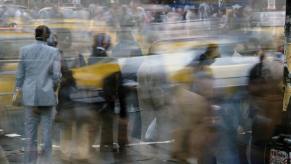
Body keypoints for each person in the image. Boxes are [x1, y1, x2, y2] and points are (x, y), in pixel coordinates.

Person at [15, 25, 61, 164]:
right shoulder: (54, 52)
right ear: (47, 36)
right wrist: (53, 88)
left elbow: (19, 76)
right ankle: (46, 161)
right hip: (46, 95)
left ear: (35, 35)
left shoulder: (24, 50)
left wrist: (18, 90)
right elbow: (56, 76)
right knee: (47, 131)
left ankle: (29, 161)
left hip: (29, 96)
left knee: (30, 132)